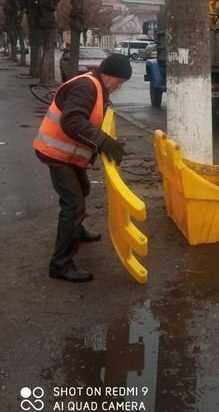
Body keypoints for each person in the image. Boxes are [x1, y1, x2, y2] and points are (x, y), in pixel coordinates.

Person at [33, 54, 132, 283]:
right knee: (73, 204)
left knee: (83, 189)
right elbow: (72, 121)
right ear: (107, 73)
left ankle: (76, 231)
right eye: (119, 80)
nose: (120, 85)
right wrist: (104, 142)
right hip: (55, 152)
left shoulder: (97, 86)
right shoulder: (87, 87)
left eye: (123, 82)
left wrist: (105, 141)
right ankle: (60, 264)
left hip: (67, 154)